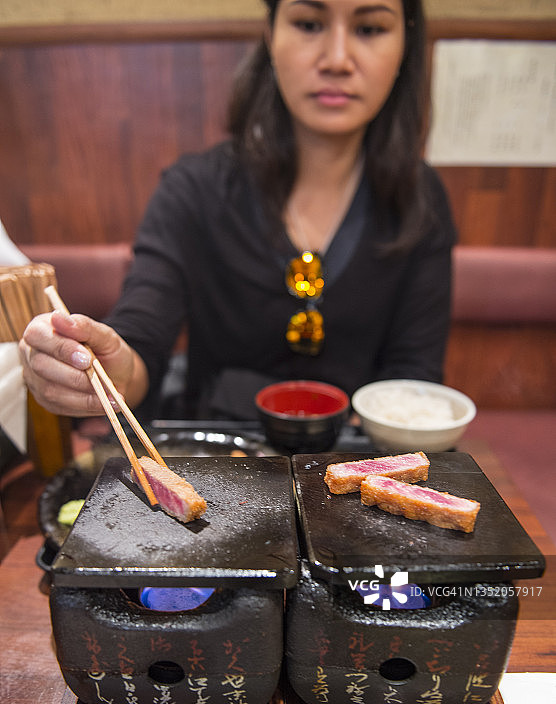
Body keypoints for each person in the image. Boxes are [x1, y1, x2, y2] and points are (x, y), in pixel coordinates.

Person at [19, 0, 456, 423]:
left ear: (405, 44)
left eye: (370, 29)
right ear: (270, 34)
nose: (338, 60)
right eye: (309, 24)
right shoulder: (194, 188)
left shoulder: (420, 199)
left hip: (359, 461)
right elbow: (141, 339)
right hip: (216, 455)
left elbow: (414, 380)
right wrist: (107, 370)